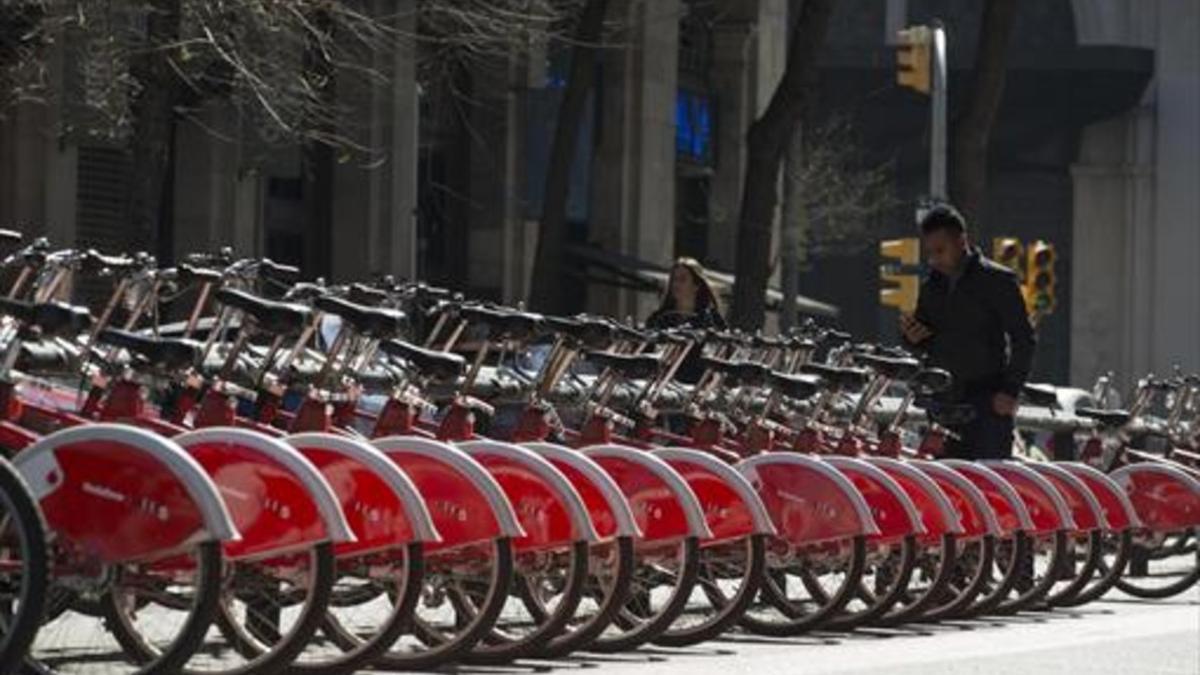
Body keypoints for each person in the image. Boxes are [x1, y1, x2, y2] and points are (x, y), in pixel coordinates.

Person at [900, 204, 1036, 460]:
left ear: (961, 241)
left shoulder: (997, 280)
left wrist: (1010, 390)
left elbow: (1024, 338)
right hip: (943, 404)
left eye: (940, 250)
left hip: (986, 402)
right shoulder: (931, 287)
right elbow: (925, 340)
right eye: (930, 253)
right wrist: (912, 337)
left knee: (987, 487)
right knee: (943, 489)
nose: (934, 259)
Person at [646, 257, 727, 383]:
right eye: (674, 280)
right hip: (662, 383)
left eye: (682, 279)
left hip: (698, 386)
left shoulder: (711, 319)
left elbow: (722, 353)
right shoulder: (659, 318)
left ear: (696, 285)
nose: (676, 284)